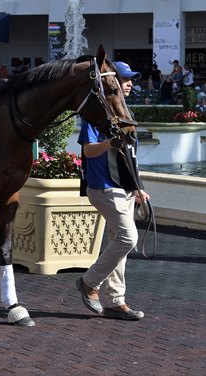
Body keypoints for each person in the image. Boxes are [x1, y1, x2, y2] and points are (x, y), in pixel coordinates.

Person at [76, 61, 150, 321]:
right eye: (125, 79)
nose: (130, 83)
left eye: (131, 79)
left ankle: (115, 302)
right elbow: (87, 150)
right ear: (111, 81)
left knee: (118, 244)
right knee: (127, 239)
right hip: (104, 188)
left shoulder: (123, 111)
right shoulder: (95, 114)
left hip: (125, 189)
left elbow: (130, 157)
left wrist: (139, 188)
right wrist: (108, 142)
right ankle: (88, 282)